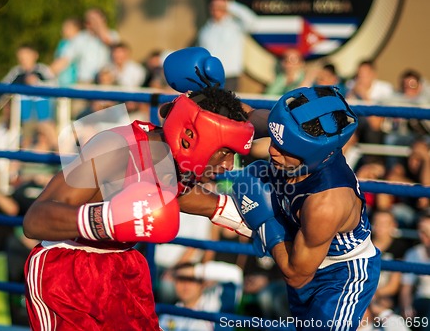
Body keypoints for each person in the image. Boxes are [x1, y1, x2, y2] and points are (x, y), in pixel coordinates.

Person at [22, 47, 255, 330]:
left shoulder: (175, 160)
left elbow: (194, 199)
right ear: (192, 138)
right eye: (225, 152)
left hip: (124, 267)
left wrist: (257, 222)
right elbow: (35, 220)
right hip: (66, 270)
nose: (229, 165)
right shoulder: (115, 149)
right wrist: (107, 218)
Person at [230, 86, 381, 330]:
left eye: (284, 149)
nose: (271, 150)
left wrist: (266, 222)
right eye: (274, 139)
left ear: (311, 154)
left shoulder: (327, 202)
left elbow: (296, 275)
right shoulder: (292, 135)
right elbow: (245, 116)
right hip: (301, 246)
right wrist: (210, 99)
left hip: (340, 275)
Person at [158, 261, 243, 331]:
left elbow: (235, 274)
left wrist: (197, 271)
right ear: (175, 284)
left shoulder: (216, 302)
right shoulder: (167, 315)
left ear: (202, 284)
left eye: (191, 279)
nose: (185, 285)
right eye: (181, 279)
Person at [197, 0, 253, 92]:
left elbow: (252, 21)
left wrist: (230, 6)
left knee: (227, 105)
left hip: (229, 76)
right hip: (209, 76)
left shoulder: (235, 25)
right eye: (213, 7)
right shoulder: (205, 29)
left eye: (219, 7)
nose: (215, 10)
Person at [399, 212, 430, 330]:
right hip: (421, 302)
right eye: (421, 231)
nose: (424, 235)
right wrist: (406, 308)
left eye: (427, 231)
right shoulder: (413, 253)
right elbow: (406, 287)